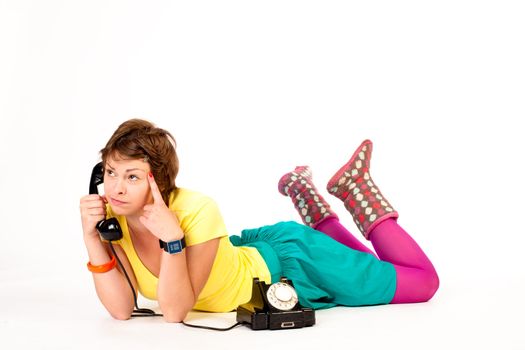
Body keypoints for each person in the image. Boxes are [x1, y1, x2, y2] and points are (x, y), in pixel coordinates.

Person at [79, 119, 439, 322]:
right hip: (253, 257)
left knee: (423, 283)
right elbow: (122, 309)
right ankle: (309, 200)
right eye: (110, 172)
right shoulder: (115, 219)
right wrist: (93, 239)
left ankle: (359, 189)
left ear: (158, 180)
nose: (115, 188)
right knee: (369, 269)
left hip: (291, 266)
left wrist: (173, 241)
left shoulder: (196, 210)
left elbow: (174, 311)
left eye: (131, 176)